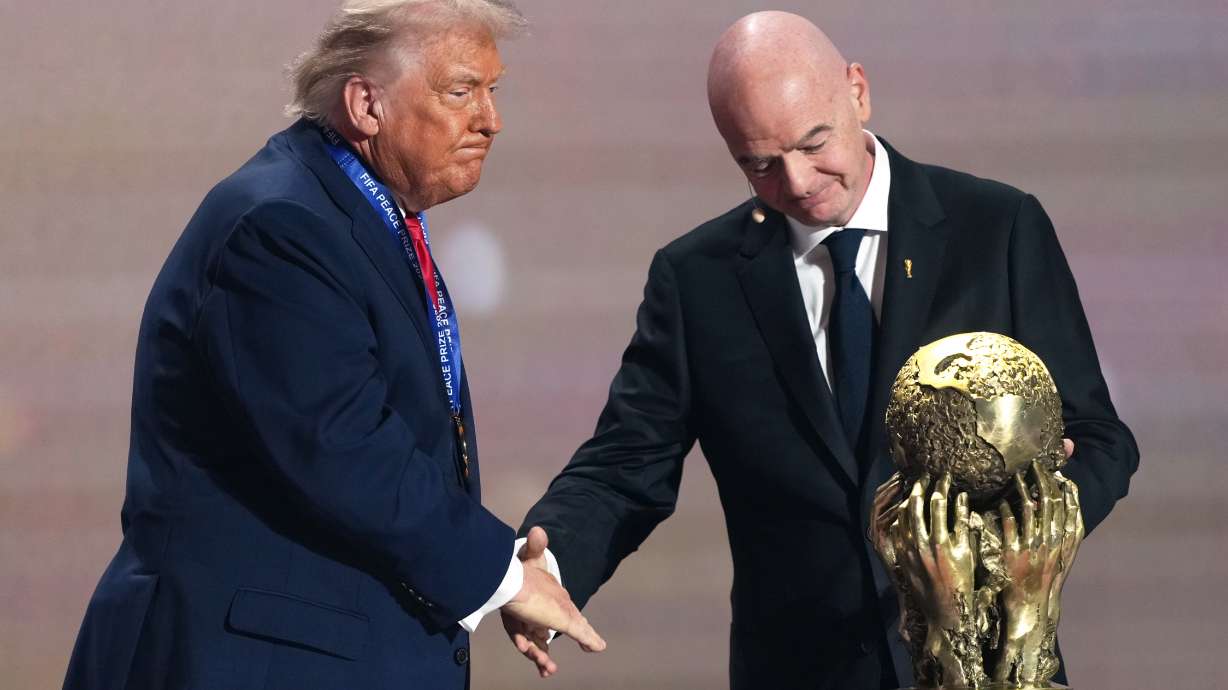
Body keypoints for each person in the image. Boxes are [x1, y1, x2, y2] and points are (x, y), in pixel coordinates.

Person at [508, 11, 1138, 690]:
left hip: (985, 665)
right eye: (760, 164)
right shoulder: (697, 281)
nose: (800, 182)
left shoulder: (996, 228)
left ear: (857, 92)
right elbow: (626, 464)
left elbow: (1098, 437)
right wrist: (547, 566)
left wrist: (1005, 540)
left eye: (814, 143)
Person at [62, 2, 603, 689]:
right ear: (366, 105)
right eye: (461, 92)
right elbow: (343, 445)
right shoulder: (280, 227)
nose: (490, 120)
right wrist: (503, 575)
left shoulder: (354, 214)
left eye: (493, 91)